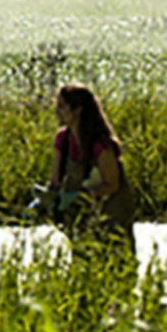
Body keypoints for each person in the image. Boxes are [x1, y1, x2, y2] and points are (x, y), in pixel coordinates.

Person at [45, 83, 137, 259]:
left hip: (111, 216)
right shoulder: (62, 140)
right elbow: (56, 180)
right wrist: (47, 198)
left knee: (116, 262)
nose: (57, 112)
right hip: (81, 219)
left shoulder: (100, 145)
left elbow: (112, 185)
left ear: (78, 110)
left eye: (62, 107)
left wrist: (83, 195)